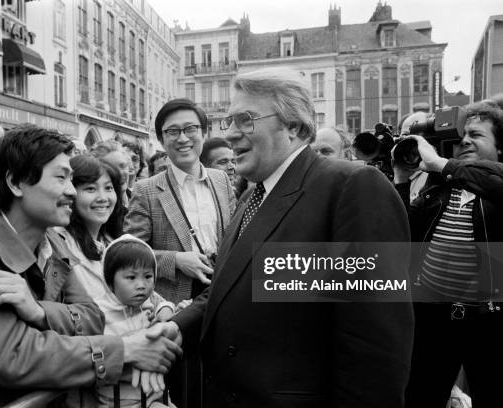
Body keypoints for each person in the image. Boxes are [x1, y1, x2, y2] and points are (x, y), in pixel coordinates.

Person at [152, 67, 413, 407]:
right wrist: (176, 328)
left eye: (245, 119)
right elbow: (227, 287)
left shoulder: (353, 189)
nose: (230, 134)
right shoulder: (250, 197)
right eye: (229, 121)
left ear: (294, 125)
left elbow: (375, 348)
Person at [0, 126, 181, 407]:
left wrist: (39, 311)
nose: (72, 191)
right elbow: (15, 355)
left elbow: (93, 317)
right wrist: (125, 349)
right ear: (16, 183)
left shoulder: (51, 241)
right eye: (61, 178)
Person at [399, 100, 503, 407]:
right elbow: (401, 237)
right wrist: (402, 180)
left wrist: (444, 165)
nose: (465, 140)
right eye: (461, 135)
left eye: (477, 135)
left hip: (489, 323)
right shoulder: (437, 189)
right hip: (434, 320)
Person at [124, 98, 236, 304]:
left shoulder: (221, 181)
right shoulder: (146, 190)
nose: (183, 138)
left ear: (204, 133)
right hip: (174, 302)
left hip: (223, 289)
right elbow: (130, 252)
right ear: (161, 139)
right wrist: (175, 260)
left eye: (190, 129)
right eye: (173, 131)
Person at [96, 235, 177, 408]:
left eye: (148, 276)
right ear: (109, 281)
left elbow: (164, 303)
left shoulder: (147, 301)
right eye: (131, 278)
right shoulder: (99, 312)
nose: (141, 285)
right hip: (121, 399)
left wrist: (165, 313)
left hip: (155, 393)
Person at [57, 154, 124, 301]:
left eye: (108, 188)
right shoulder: (60, 244)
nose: (103, 198)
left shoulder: (113, 241)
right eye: (91, 189)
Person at [91, 140, 133, 206]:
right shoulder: (102, 207)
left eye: (123, 166)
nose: (120, 173)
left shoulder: (137, 198)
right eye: (112, 169)